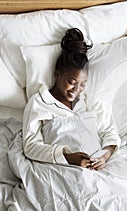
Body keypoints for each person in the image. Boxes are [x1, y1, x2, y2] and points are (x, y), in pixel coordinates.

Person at [22, 28, 121, 170]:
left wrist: (104, 156)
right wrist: (67, 158)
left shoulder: (90, 101)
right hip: (61, 168)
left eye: (82, 84)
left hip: (96, 168)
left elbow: (109, 132)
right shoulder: (39, 103)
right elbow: (30, 146)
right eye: (72, 82)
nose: (77, 89)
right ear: (57, 75)